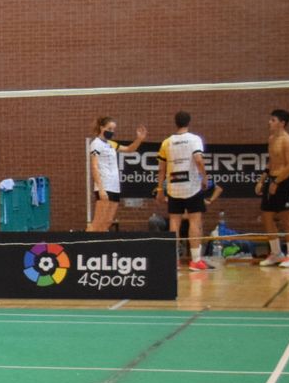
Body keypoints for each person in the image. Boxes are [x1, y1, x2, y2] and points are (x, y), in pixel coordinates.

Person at [157, 111, 209, 271]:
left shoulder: (167, 142)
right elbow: (198, 160)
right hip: (192, 186)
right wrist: (205, 177)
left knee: (174, 222)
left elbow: (161, 169)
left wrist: (159, 189)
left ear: (176, 122)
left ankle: (174, 260)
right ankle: (196, 260)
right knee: (195, 221)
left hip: (174, 187)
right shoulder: (195, 139)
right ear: (189, 122)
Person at [88, 117, 146, 232]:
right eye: (109, 128)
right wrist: (101, 189)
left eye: (113, 129)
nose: (112, 131)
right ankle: (83, 243)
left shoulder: (112, 144)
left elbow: (129, 149)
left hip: (114, 186)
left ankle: (102, 243)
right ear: (101, 128)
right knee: (98, 222)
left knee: (107, 222)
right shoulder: (96, 143)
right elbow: (94, 166)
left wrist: (139, 139)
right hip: (104, 185)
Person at [257, 109, 289, 267]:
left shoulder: (288, 141)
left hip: (284, 181)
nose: (269, 122)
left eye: (273, 120)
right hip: (272, 179)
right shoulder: (271, 139)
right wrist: (262, 180)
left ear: (282, 123)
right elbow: (271, 161)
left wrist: (276, 182)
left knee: (286, 217)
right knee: (266, 216)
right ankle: (276, 253)